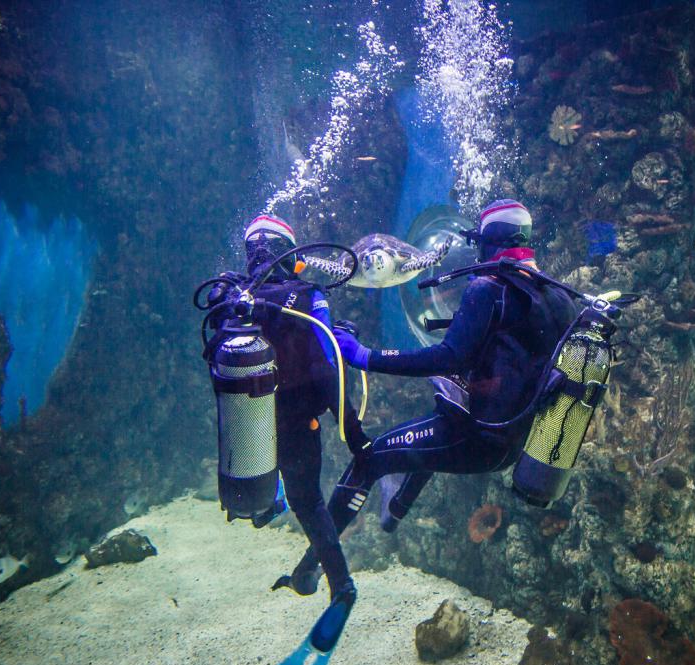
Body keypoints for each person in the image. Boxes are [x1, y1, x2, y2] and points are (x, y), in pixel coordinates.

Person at [289, 199, 578, 577]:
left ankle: (310, 569)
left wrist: (365, 356)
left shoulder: (488, 289)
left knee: (370, 458)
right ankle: (395, 508)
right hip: (516, 443)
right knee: (438, 411)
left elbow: (447, 357)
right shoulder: (559, 297)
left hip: (477, 438)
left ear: (489, 241)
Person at [216, 214, 362, 609]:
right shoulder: (308, 296)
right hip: (299, 422)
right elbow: (326, 367)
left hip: (249, 425)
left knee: (266, 487)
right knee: (310, 504)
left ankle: (266, 504)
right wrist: (352, 430)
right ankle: (342, 586)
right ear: (290, 254)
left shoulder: (233, 301)